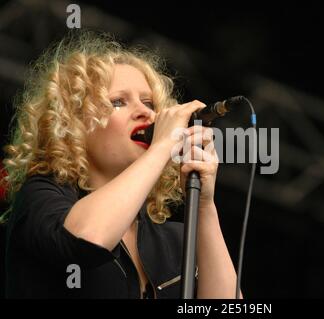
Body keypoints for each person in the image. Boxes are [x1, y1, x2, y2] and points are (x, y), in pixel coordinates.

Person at [1, 31, 242, 299]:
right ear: (73, 124)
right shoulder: (40, 199)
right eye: (118, 102)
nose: (146, 113)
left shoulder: (175, 241)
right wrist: (163, 146)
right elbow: (85, 239)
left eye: (149, 103)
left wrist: (205, 205)